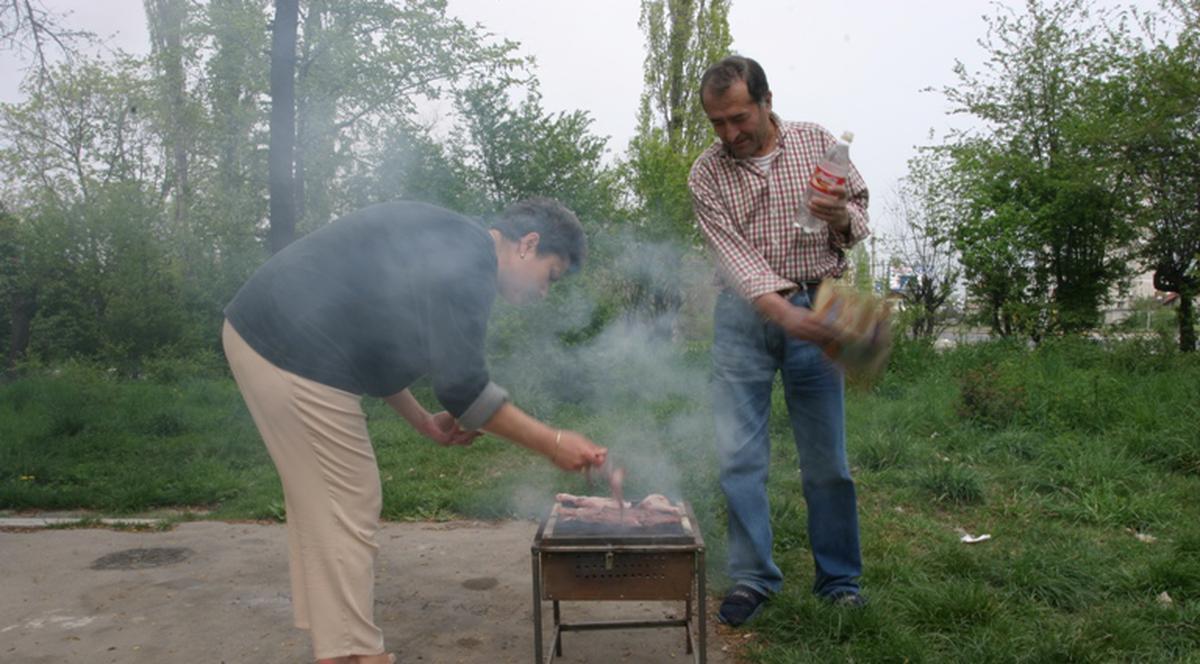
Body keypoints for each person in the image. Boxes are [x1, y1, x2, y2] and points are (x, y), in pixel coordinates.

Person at [221, 198, 608, 664]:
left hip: (273, 337)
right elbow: (464, 388)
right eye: (552, 276)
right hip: (290, 347)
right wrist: (554, 443)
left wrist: (420, 419)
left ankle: (340, 642)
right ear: (529, 245)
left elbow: (375, 344)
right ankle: (351, 653)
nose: (546, 293)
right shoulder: (469, 257)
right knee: (347, 500)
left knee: (324, 505)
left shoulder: (454, 249)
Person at [688, 55, 871, 627]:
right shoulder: (706, 174)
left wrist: (839, 213)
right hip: (743, 319)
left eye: (739, 118)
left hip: (821, 304)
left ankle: (839, 580)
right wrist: (782, 313)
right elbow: (734, 259)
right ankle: (752, 577)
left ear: (767, 102)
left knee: (827, 462)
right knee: (739, 457)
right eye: (717, 123)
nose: (730, 134)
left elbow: (861, 217)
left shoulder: (818, 143)